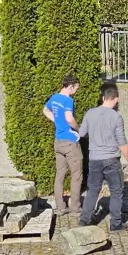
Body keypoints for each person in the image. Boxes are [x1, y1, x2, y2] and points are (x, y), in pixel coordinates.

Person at [78, 84, 128, 231]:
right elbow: (122, 143)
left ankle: (84, 220)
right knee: (116, 191)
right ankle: (115, 224)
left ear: (102, 98)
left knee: (93, 190)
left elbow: (81, 133)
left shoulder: (90, 113)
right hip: (111, 160)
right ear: (116, 99)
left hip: (94, 159)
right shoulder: (116, 117)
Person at [43, 74, 82, 215]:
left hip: (58, 141)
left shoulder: (54, 98)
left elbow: (45, 110)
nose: (76, 91)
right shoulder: (68, 100)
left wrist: (56, 121)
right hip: (70, 141)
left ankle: (60, 207)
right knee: (76, 174)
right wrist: (78, 129)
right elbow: (69, 118)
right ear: (71, 86)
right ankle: (75, 208)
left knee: (60, 174)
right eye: (76, 88)